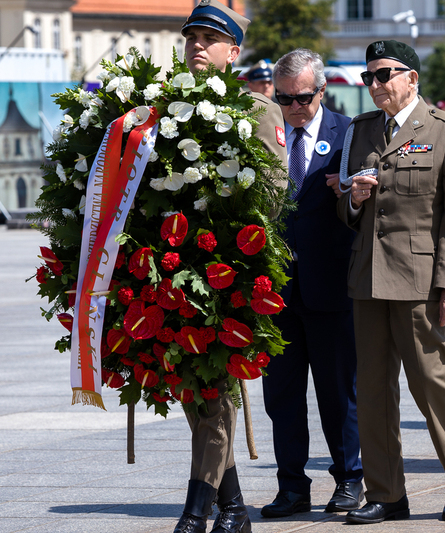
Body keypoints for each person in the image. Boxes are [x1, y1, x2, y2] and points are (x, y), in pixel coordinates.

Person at [338, 39, 445, 524]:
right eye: (369, 76)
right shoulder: (361, 130)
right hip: (368, 278)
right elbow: (346, 208)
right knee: (373, 391)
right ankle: (386, 492)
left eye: (384, 75)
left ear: (411, 79)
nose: (375, 84)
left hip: (420, 282)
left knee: (431, 383)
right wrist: (353, 199)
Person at [174, 2, 288, 533]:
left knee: (214, 386)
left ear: (233, 52)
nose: (197, 45)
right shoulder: (167, 106)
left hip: (228, 268)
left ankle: (196, 511)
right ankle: (235, 506)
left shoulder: (257, 109)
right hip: (176, 268)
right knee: (193, 387)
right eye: (191, 37)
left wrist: (224, 219)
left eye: (209, 39)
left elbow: (274, 191)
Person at [260, 48, 363, 518]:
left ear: (322, 90)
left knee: (338, 393)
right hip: (277, 291)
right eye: (284, 99)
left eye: (302, 97)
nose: (294, 107)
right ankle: (292, 486)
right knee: (281, 396)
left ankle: (349, 478)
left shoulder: (349, 133)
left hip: (332, 285)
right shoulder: (266, 135)